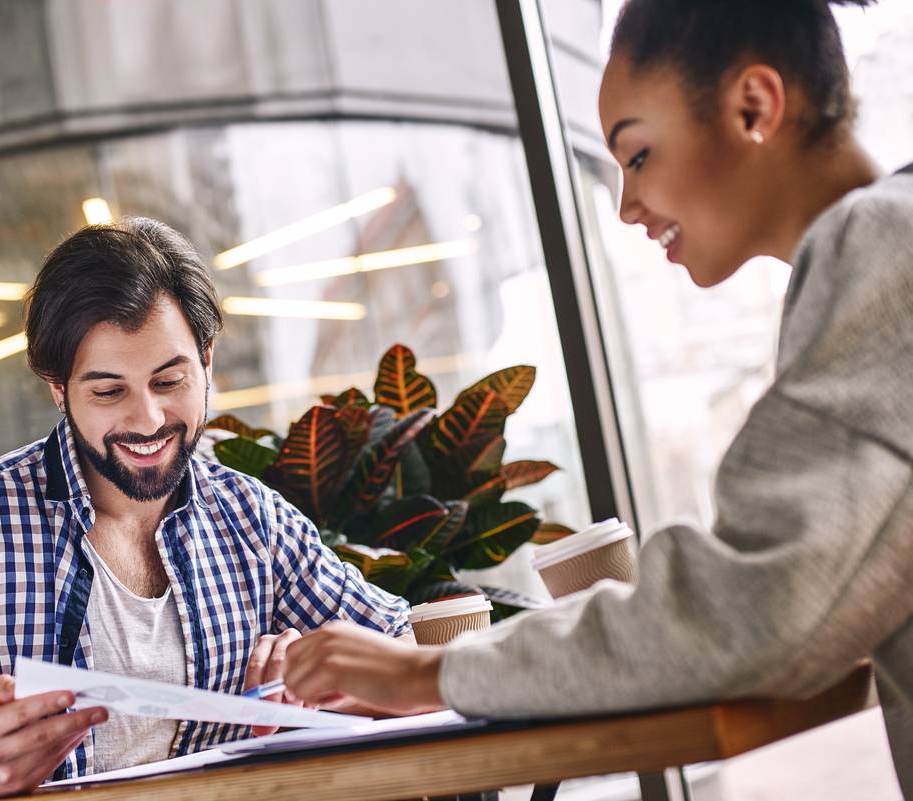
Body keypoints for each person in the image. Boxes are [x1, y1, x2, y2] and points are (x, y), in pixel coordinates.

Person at [281, 0, 913, 793]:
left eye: (639, 155)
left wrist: (426, 673)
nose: (625, 205)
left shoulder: (883, 253)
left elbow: (754, 608)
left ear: (755, 106)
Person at [0, 218, 411, 801]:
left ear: (207, 361)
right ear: (58, 388)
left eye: (170, 380)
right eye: (108, 391)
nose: (148, 421)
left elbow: (403, 647)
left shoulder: (250, 517)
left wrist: (337, 681)